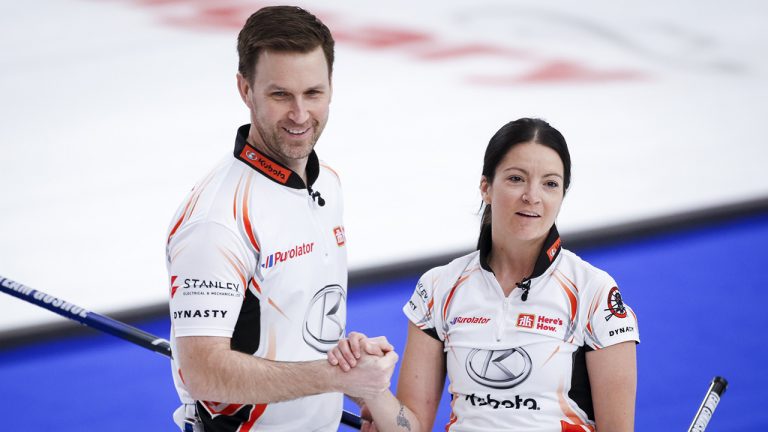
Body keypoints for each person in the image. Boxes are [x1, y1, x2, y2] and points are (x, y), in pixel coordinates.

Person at [165, 6, 397, 431]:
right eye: (280, 95)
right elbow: (202, 372)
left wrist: (350, 366)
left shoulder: (327, 182)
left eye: (313, 93)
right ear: (245, 89)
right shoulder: (216, 221)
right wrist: (334, 378)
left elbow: (296, 326)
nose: (300, 114)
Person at [329, 118, 640, 431]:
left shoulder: (593, 290)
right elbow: (412, 427)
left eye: (550, 184)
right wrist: (374, 389)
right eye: (516, 179)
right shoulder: (438, 287)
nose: (532, 196)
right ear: (486, 188)